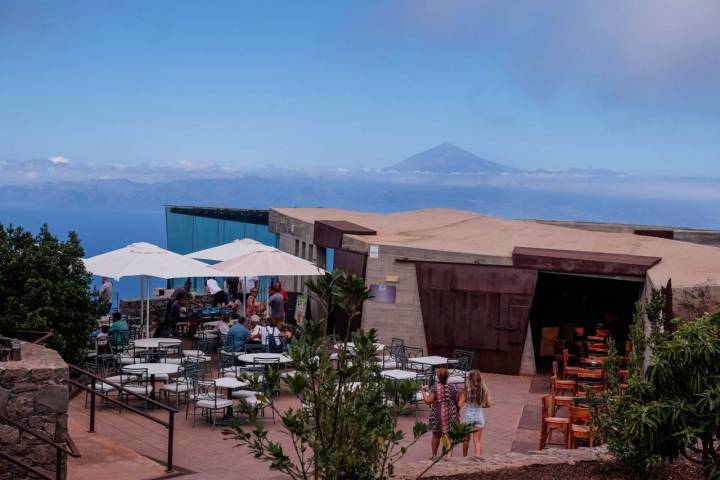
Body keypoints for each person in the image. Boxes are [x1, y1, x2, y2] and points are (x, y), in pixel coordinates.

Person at [422, 367, 461, 459]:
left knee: (436, 435)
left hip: (438, 413)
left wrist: (423, 391)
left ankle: (434, 455)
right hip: (450, 412)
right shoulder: (453, 387)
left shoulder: (434, 387)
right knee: (448, 434)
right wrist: (457, 412)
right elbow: (457, 400)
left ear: (438, 377)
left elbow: (428, 401)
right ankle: (449, 455)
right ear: (447, 376)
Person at [459, 370, 491, 458]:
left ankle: (464, 457)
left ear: (469, 379)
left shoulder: (466, 390)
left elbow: (460, 404)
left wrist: (465, 401)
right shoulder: (483, 390)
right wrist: (479, 405)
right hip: (479, 416)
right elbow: (488, 404)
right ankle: (477, 458)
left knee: (466, 440)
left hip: (468, 417)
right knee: (477, 440)